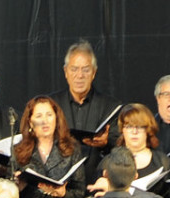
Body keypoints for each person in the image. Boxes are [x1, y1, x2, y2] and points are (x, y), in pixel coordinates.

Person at [14, 96, 85, 198]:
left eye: (49, 115)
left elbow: (80, 193)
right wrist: (17, 188)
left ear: (57, 118)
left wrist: (63, 194)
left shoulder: (72, 148)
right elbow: (9, 194)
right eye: (39, 116)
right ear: (30, 122)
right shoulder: (18, 150)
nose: (45, 121)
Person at [50, 40, 121, 184]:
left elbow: (121, 145)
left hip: (97, 182)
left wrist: (106, 143)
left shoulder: (111, 107)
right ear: (66, 72)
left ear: (94, 73)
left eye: (86, 70)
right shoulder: (51, 105)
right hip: (59, 183)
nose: (80, 75)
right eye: (74, 69)